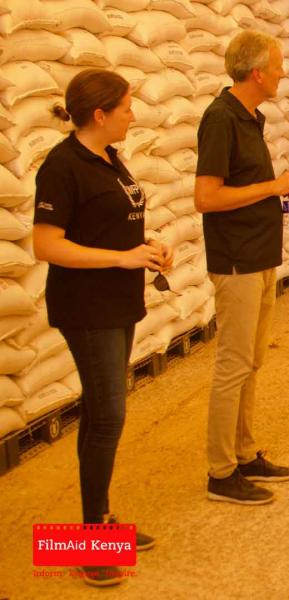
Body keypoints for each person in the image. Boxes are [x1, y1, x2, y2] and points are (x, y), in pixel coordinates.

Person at [33, 68, 173, 586]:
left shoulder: (111, 159)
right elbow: (46, 245)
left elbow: (116, 226)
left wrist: (152, 247)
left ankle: (100, 525)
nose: (133, 115)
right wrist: (120, 259)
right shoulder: (63, 166)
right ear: (100, 114)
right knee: (109, 416)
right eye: (127, 108)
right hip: (86, 307)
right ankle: (90, 541)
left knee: (100, 412)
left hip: (119, 302)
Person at [195, 30, 289, 505]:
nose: (281, 74)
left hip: (259, 256)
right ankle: (221, 473)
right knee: (233, 365)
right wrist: (272, 187)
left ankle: (244, 450)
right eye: (276, 66)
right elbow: (207, 197)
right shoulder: (220, 119)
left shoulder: (250, 117)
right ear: (257, 72)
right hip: (236, 260)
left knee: (251, 362)